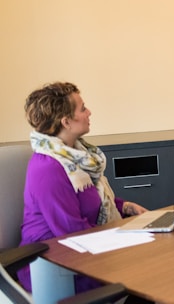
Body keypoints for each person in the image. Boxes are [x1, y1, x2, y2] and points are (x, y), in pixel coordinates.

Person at [18, 82, 148, 293]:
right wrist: (126, 237)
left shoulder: (76, 156)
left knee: (151, 263)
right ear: (66, 121)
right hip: (54, 262)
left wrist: (125, 207)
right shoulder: (47, 168)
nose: (89, 112)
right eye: (83, 108)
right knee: (147, 270)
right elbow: (71, 231)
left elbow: (89, 199)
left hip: (83, 246)